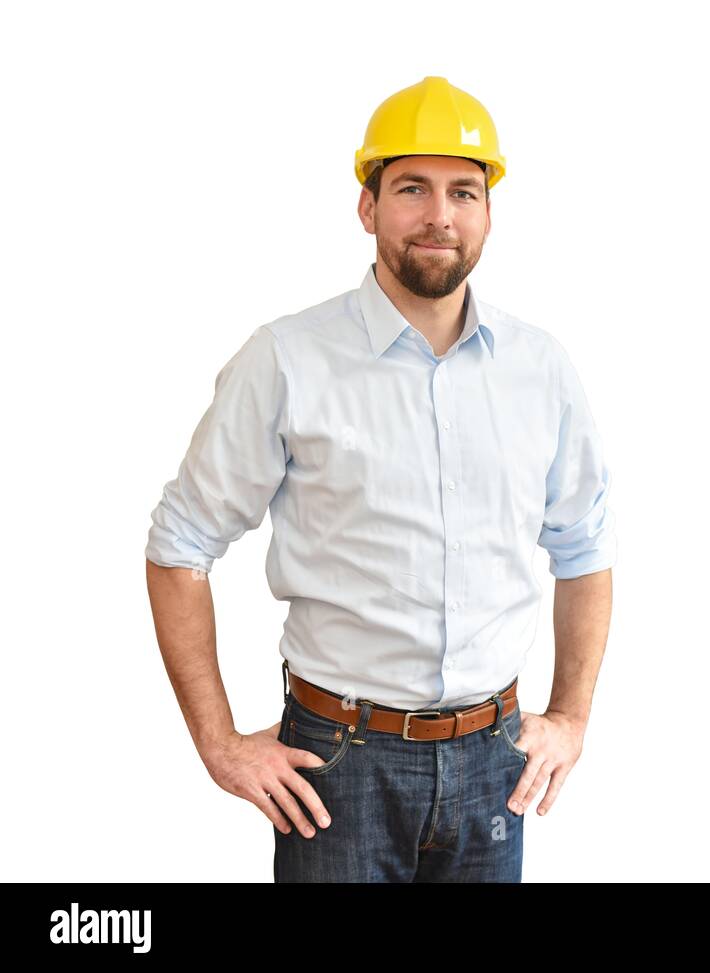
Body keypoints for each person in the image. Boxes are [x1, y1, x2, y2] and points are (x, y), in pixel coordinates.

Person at [142, 76, 616, 882]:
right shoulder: (287, 359)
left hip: (495, 767)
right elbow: (180, 545)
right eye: (412, 190)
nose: (440, 215)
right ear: (367, 208)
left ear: (489, 213)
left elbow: (584, 548)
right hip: (337, 768)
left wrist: (570, 716)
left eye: (464, 191)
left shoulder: (541, 369)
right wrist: (218, 743)